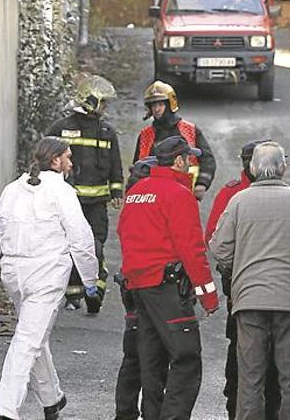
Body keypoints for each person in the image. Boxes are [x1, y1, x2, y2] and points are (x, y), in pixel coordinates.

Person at [0, 137, 99, 420]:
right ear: (55, 161)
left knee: (34, 335)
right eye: (67, 156)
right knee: (28, 340)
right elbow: (80, 239)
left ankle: (52, 399)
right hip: (47, 276)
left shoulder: (12, 190)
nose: (71, 161)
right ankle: (6, 409)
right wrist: (90, 281)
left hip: (14, 276)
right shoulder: (62, 192)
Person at [209, 141, 290, 420]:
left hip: (249, 301)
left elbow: (219, 248)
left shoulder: (238, 201)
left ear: (252, 168)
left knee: (250, 378)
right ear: (283, 168)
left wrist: (239, 273)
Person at [117, 136, 220, 420]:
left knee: (152, 361)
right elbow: (192, 249)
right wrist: (208, 296)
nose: (190, 163)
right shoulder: (177, 193)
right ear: (178, 160)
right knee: (186, 358)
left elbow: (123, 233)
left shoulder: (138, 191)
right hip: (167, 289)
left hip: (139, 288)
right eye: (188, 158)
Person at [204, 139, 281, 420]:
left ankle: (272, 406)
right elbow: (213, 236)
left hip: (262, 284)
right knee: (241, 348)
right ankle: (236, 405)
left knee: (273, 351)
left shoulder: (280, 194)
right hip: (242, 285)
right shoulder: (231, 193)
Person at [46, 74, 123, 313]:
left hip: (96, 203)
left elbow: (115, 163)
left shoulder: (106, 131)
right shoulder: (61, 128)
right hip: (68, 203)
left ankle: (95, 290)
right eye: (103, 102)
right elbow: (46, 157)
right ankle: (72, 293)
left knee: (95, 246)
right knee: (67, 246)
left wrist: (117, 189)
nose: (105, 107)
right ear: (91, 100)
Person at [113, 155, 158, 420]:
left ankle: (125, 412)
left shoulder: (131, 202)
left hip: (130, 285)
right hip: (152, 287)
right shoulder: (154, 201)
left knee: (132, 354)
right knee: (153, 355)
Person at [132, 81, 216, 200]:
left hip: (185, 193)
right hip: (153, 195)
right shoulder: (145, 135)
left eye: (160, 104)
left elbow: (207, 159)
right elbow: (137, 166)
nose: (156, 109)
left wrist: (202, 183)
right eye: (153, 105)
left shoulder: (189, 130)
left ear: (170, 104)